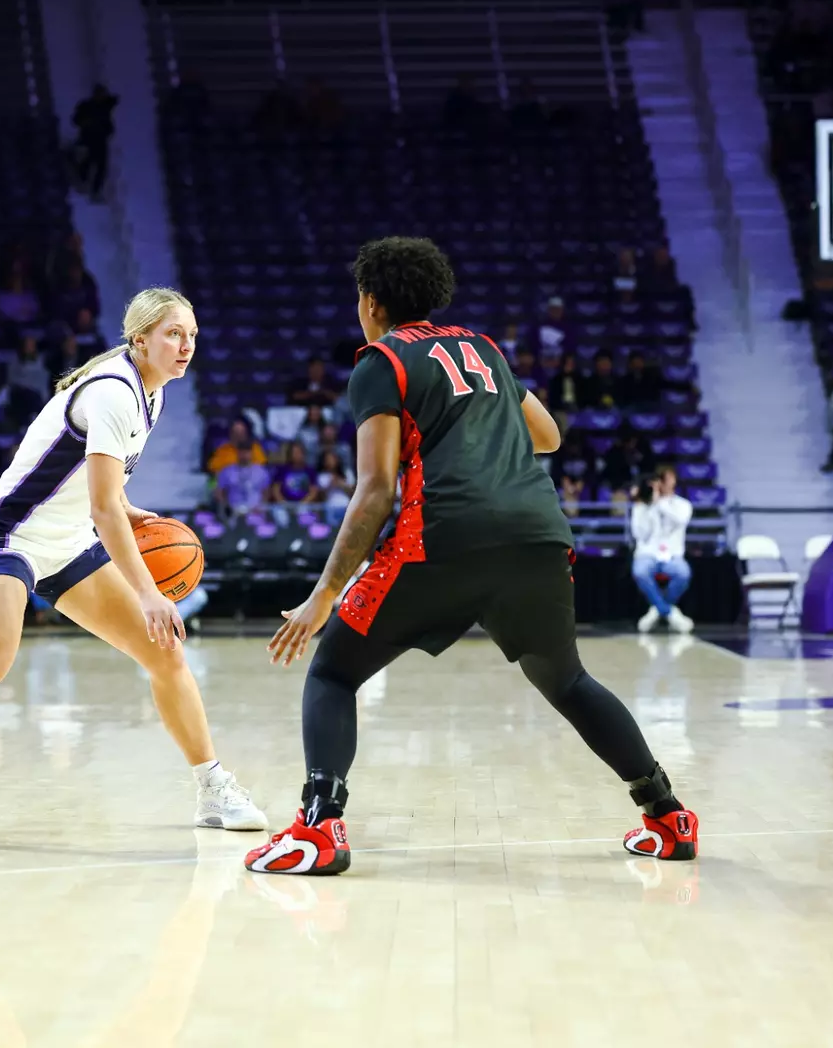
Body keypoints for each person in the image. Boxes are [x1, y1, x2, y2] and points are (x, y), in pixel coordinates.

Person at [244, 238, 696, 877]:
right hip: (539, 533)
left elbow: (375, 491)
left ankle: (318, 828)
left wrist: (324, 595)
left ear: (371, 302)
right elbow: (549, 436)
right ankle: (667, 816)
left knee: (333, 673)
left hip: (444, 536)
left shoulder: (381, 361)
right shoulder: (484, 349)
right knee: (567, 681)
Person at [0, 288, 265, 833]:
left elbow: (101, 489)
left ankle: (212, 789)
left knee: (166, 654)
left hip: (67, 540)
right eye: (174, 334)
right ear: (140, 339)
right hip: (11, 536)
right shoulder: (114, 393)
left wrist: (128, 510)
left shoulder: (151, 392)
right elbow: (102, 507)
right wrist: (150, 592)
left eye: (192, 336)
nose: (186, 346)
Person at [630, 466, 694, 633]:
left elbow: (680, 520)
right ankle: (668, 611)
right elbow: (640, 534)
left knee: (683, 573)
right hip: (648, 553)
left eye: (667, 479)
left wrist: (660, 503)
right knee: (640, 572)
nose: (664, 483)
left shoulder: (683, 505)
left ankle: (656, 610)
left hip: (672, 554)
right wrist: (648, 506)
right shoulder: (641, 506)